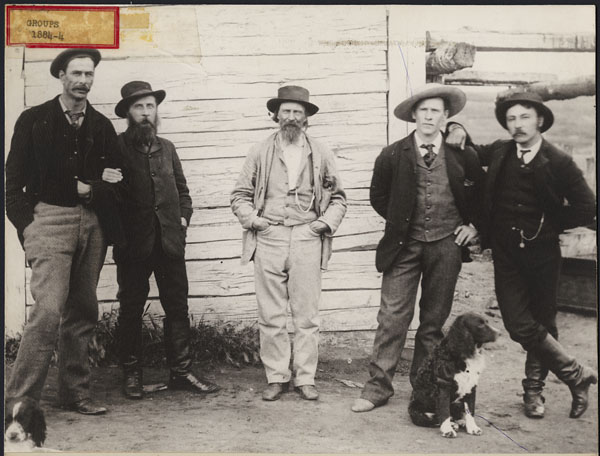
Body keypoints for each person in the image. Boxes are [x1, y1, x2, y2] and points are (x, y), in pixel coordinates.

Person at [446, 91, 597, 419]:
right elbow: (470, 149)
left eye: (524, 117)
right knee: (517, 323)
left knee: (543, 321)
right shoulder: (501, 151)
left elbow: (588, 206)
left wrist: (552, 222)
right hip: (506, 253)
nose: (518, 125)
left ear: (540, 120)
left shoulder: (558, 161)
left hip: (543, 254)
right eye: (511, 119)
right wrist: (455, 126)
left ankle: (533, 392)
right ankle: (575, 374)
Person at [352, 84, 485, 413]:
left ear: (446, 116)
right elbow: (378, 196)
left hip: (446, 245)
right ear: (414, 115)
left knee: (433, 322)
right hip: (403, 246)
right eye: (423, 110)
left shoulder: (462, 153)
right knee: (392, 317)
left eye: (435, 111)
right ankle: (378, 387)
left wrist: (472, 226)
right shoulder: (393, 154)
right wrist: (402, 223)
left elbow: (482, 195)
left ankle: (424, 389)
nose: (429, 116)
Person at [5, 49, 125, 415]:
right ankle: (20, 402)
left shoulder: (101, 126)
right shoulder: (34, 120)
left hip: (92, 225)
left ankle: (75, 393)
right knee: (48, 310)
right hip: (49, 222)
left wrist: (94, 189)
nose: (83, 82)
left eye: (89, 75)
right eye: (76, 74)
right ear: (61, 76)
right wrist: (30, 229)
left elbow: (120, 180)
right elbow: (13, 185)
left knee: (83, 310)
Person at [101, 81, 220, 399]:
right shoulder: (115, 148)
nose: (145, 113)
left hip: (169, 242)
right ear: (127, 112)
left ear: (156, 110)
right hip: (133, 245)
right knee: (130, 309)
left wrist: (183, 219)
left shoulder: (167, 148)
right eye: (138, 107)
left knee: (178, 307)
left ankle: (181, 372)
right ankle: (131, 375)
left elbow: (183, 191)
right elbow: (107, 198)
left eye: (150, 106)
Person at [230, 85, 347, 401]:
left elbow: (338, 198)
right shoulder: (260, 151)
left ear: (307, 117)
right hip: (270, 237)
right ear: (276, 115)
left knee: (307, 315)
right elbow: (239, 195)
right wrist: (255, 222)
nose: (292, 117)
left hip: (307, 236)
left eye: (298, 112)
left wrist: (322, 225)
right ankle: (277, 377)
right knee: (271, 314)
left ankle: (305, 378)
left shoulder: (320, 152)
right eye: (286, 111)